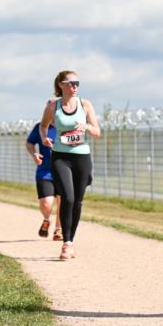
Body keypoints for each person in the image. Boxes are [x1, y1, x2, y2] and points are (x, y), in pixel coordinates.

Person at [40, 70, 100, 260]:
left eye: (77, 83)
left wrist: (87, 127)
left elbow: (97, 131)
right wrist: (44, 139)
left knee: (78, 201)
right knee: (68, 197)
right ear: (61, 85)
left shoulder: (85, 104)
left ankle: (71, 241)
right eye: (71, 83)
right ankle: (66, 243)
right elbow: (43, 126)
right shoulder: (53, 106)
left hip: (81, 157)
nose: (75, 87)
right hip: (60, 157)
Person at [26, 120, 62, 241]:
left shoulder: (67, 126)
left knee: (63, 202)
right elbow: (29, 143)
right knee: (46, 203)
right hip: (45, 171)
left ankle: (59, 229)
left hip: (63, 171)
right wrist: (34, 154)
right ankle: (47, 218)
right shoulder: (41, 127)